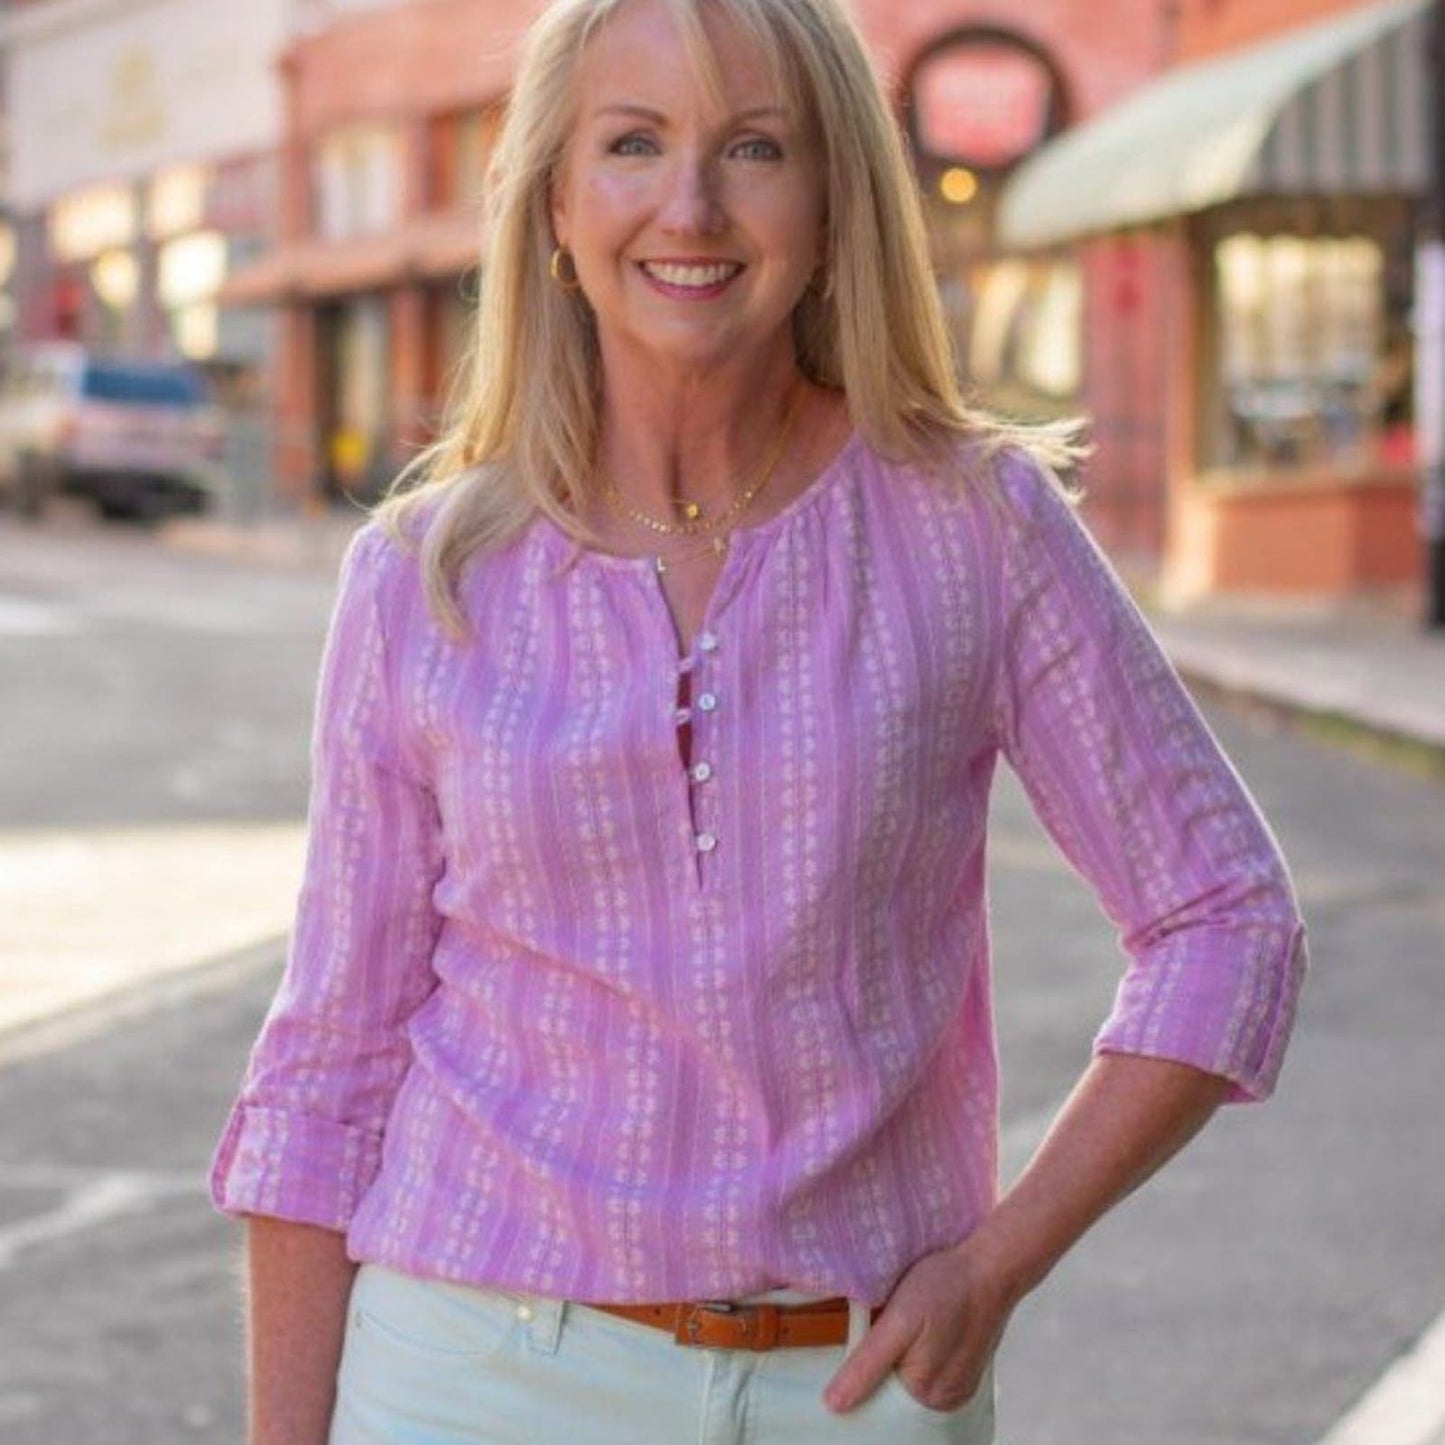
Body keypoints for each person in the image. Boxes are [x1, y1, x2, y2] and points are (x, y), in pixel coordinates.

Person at [210, 0, 1309, 1440]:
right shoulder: (426, 580)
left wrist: (1000, 1258)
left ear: (834, 196)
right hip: (474, 1364)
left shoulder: (968, 527)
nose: (690, 204)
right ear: (551, 199)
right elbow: (329, 1062)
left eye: (754, 146)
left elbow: (1223, 914)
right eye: (631, 143)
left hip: (854, 1387)